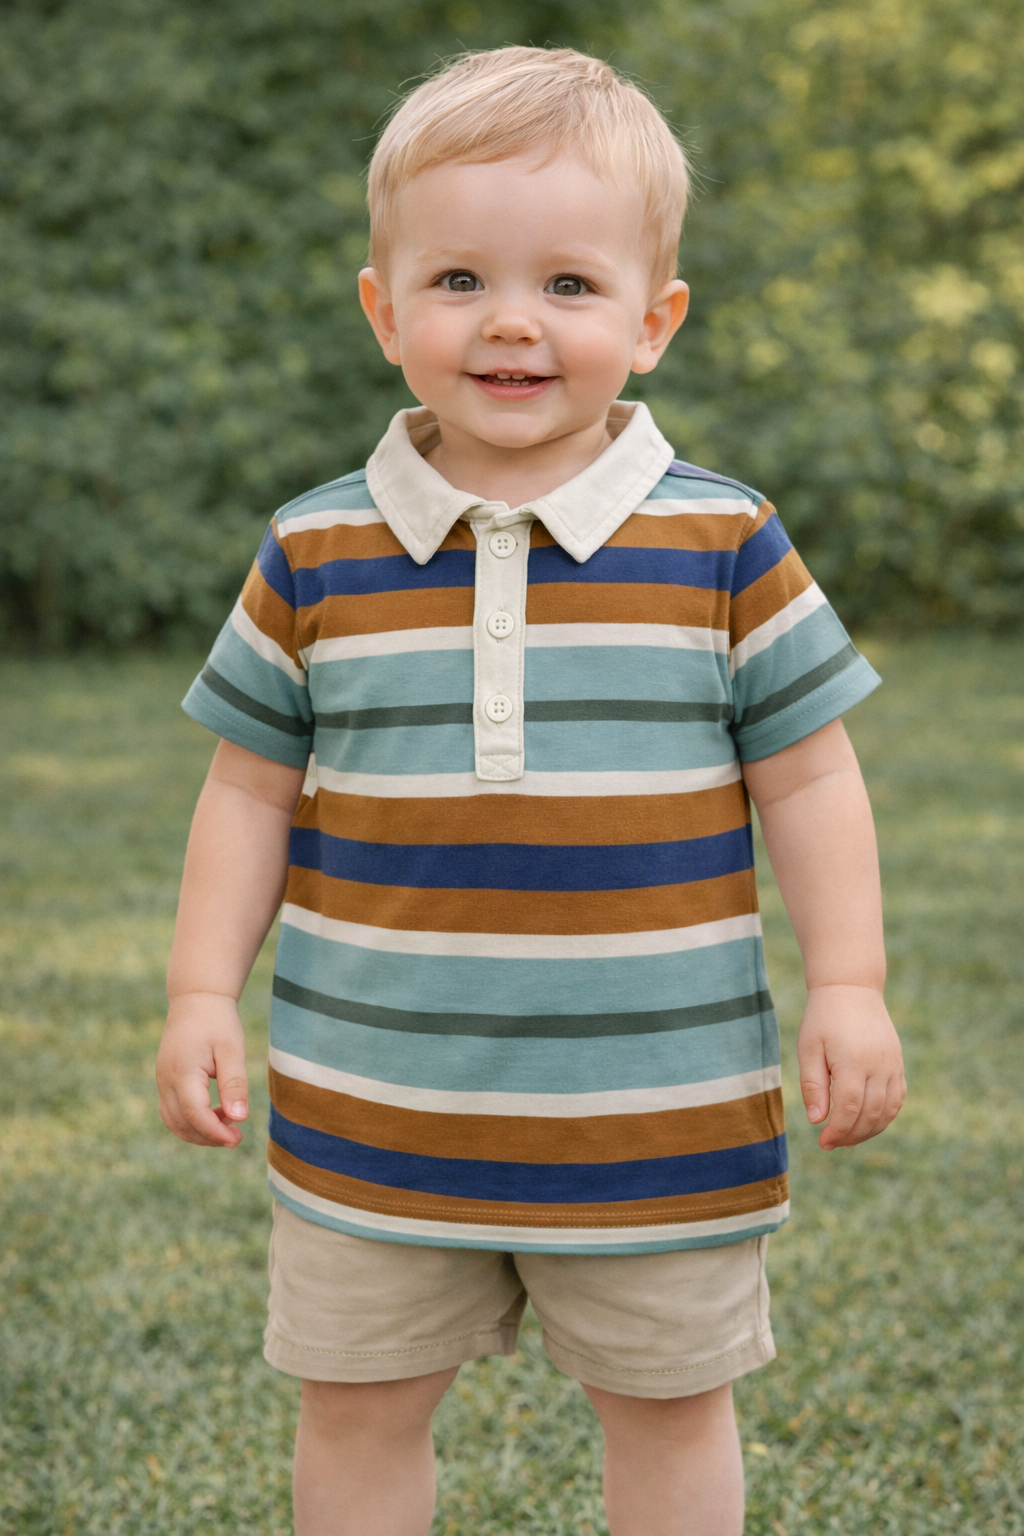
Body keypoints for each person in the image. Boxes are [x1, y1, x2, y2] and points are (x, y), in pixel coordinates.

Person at [156, 46, 906, 1536]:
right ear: (384, 311)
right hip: (375, 1112)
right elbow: (248, 791)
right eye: (457, 281)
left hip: (658, 1122)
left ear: (654, 320)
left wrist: (853, 985)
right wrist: (195, 996)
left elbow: (813, 773)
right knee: (358, 1413)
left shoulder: (725, 542)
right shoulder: (316, 551)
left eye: (570, 284)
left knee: (672, 1413)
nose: (511, 321)